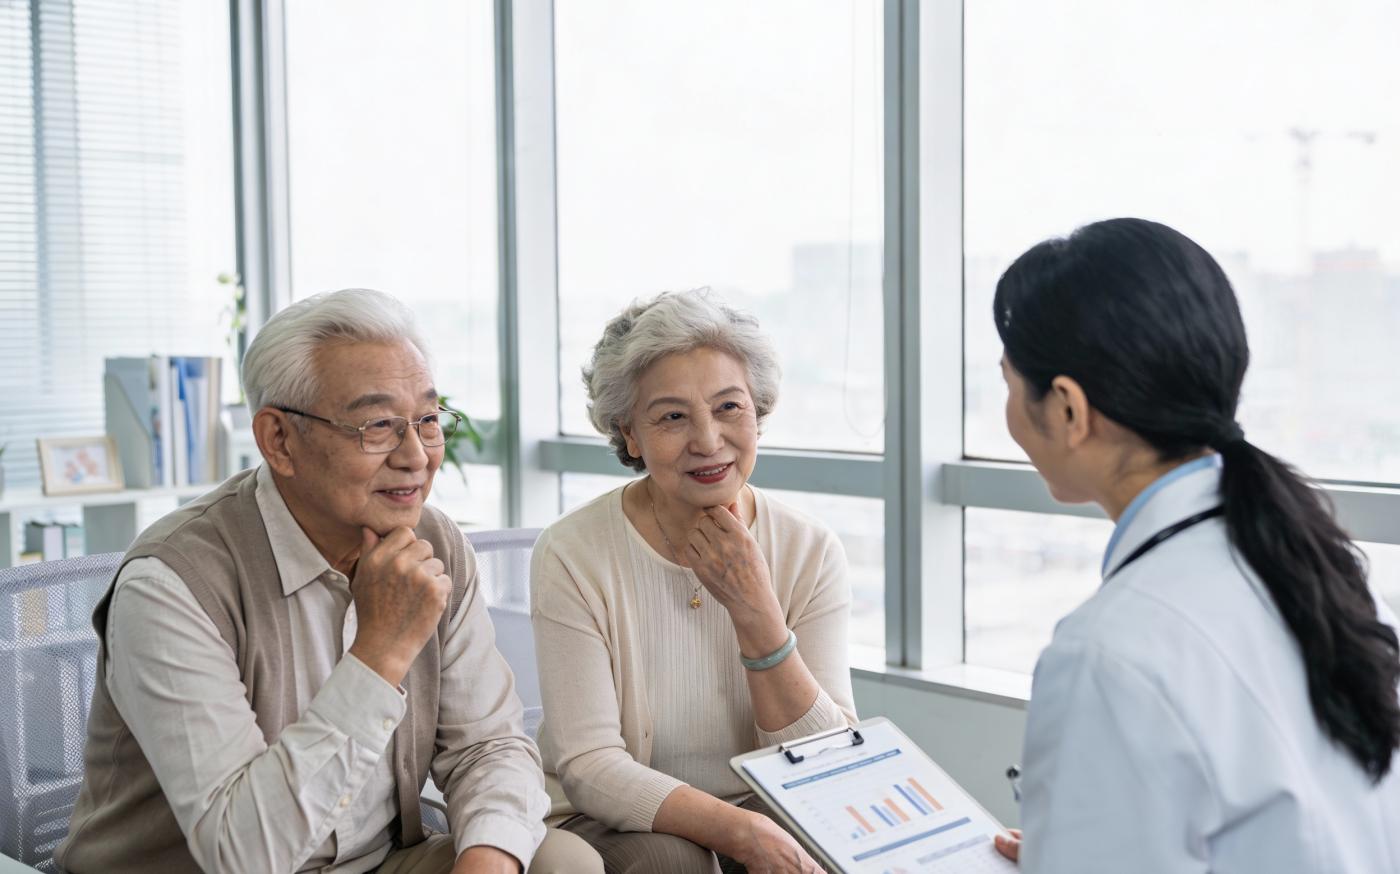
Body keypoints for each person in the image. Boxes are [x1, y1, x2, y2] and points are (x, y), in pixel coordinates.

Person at [56, 289, 600, 874]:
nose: (416, 455)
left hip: (378, 861)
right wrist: (380, 651)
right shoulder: (172, 582)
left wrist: (486, 865)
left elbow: (489, 745)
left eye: (427, 420)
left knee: (558, 862)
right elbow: (243, 855)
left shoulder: (436, 543)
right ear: (279, 441)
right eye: (377, 426)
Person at [987, 219, 1400, 872]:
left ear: (1068, 408)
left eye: (1009, 385)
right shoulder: (1327, 572)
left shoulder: (1109, 651)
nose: (1007, 412)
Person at [530, 290, 857, 873]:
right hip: (610, 817)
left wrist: (756, 610)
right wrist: (736, 830)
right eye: (673, 416)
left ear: (757, 411)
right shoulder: (573, 552)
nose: (707, 440)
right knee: (672, 862)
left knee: (825, 849)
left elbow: (828, 759)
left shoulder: (810, 548)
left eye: (729, 407)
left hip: (764, 804)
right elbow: (590, 765)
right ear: (630, 434)